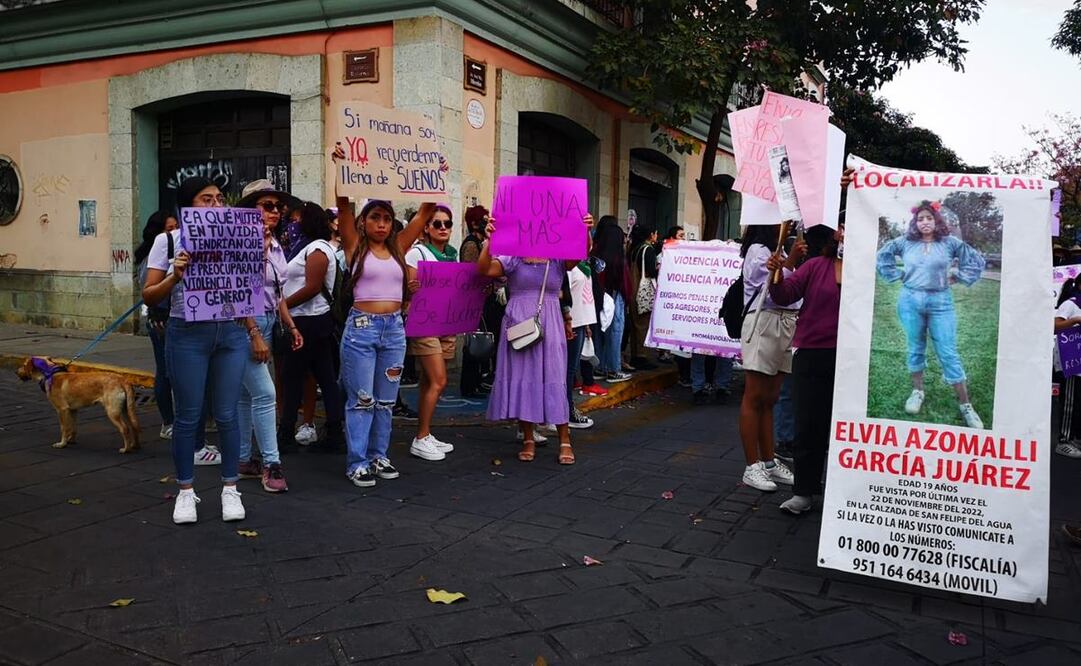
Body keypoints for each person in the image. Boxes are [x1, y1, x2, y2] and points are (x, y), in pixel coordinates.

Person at [142, 176, 268, 524]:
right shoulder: (167, 241)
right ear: (187, 208)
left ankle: (230, 489)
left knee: (226, 414)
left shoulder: (235, 237)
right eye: (206, 199)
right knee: (188, 416)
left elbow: (244, 291)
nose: (215, 205)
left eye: (218, 199)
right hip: (187, 335)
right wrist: (174, 275)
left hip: (229, 333)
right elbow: (149, 295)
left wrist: (253, 331)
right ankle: (185, 493)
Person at [335, 192, 434, 487]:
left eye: (387, 219)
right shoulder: (354, 247)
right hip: (361, 329)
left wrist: (437, 173)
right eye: (375, 217)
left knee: (386, 401)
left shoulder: (399, 249)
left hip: (393, 330)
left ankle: (378, 456)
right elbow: (343, 207)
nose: (382, 224)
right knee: (362, 399)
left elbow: (424, 213)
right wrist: (342, 167)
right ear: (363, 222)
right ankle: (358, 462)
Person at [478, 214, 593, 464]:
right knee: (523, 379)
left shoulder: (558, 256)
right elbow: (484, 269)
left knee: (554, 378)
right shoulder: (513, 257)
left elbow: (580, 253)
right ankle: (528, 436)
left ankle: (564, 439)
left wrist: (584, 230)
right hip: (518, 322)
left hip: (549, 322)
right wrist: (489, 241)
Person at [876, 201, 986, 429]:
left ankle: (966, 405)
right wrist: (897, 273)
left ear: (936, 220)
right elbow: (883, 255)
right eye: (920, 219)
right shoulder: (905, 243)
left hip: (941, 302)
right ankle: (917, 391)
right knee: (915, 346)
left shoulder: (949, 243)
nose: (925, 222)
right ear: (915, 223)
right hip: (910, 301)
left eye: (929, 218)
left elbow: (976, 261)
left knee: (948, 351)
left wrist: (957, 276)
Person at [767, 224, 843, 514]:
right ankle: (804, 492)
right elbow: (783, 295)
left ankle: (845, 495)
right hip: (813, 355)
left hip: (856, 359)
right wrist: (778, 270)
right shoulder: (814, 266)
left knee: (845, 431)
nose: (845, 234)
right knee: (809, 426)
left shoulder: (872, 269)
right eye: (842, 229)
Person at [234, 180, 303, 492]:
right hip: (244, 324)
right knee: (265, 393)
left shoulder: (275, 243)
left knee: (248, 395)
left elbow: (277, 293)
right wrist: (252, 332)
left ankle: (244, 459)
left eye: (278, 207)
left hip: (267, 321)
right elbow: (237, 293)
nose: (275, 212)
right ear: (251, 210)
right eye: (267, 206)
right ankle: (271, 464)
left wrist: (290, 325)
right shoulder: (239, 244)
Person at [278, 202, 345, 454]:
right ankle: (334, 430)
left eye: (298, 219)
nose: (293, 224)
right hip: (312, 320)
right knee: (324, 376)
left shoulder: (317, 249)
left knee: (294, 377)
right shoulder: (311, 247)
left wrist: (282, 304)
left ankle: (286, 432)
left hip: (309, 321)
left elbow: (312, 287)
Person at [738, 224, 798, 492]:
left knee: (770, 399)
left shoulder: (780, 250)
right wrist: (793, 260)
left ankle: (769, 463)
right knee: (755, 396)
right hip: (765, 323)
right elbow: (772, 289)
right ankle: (752, 467)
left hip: (786, 324)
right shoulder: (758, 251)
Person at [404, 204, 459, 461]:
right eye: (437, 223)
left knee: (430, 380)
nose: (443, 228)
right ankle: (421, 437)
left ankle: (425, 433)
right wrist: (412, 288)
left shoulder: (452, 254)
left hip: (446, 321)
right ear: (426, 227)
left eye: (447, 223)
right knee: (439, 380)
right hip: (425, 322)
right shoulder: (417, 253)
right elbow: (408, 290)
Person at [135, 210, 179, 441]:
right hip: (161, 317)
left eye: (176, 228)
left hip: (175, 316)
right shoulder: (152, 256)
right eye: (169, 229)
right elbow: (148, 289)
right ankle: (168, 422)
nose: (174, 233)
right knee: (165, 371)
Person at [459, 204, 501, 398]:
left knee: (485, 338)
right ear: (474, 223)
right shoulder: (470, 245)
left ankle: (479, 380)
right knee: (475, 341)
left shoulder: (483, 241)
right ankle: (469, 384)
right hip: (474, 299)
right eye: (483, 219)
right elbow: (472, 271)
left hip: (486, 297)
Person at [591, 216, 631, 383]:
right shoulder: (618, 260)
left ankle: (599, 367)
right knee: (615, 331)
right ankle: (614, 369)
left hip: (596, 296)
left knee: (598, 331)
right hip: (614, 296)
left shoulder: (594, 254)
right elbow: (625, 284)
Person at [1053, 278, 1081, 457]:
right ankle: (1064, 440)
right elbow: (1055, 325)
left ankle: (1075, 438)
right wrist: (1076, 320)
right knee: (1071, 401)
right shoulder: (1071, 304)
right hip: (1073, 364)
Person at [627, 222, 660, 370]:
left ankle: (635, 354)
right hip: (643, 290)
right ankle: (642, 356)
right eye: (655, 233)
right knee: (643, 324)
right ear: (651, 235)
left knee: (635, 324)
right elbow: (650, 272)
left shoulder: (634, 249)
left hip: (633, 288)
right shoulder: (648, 250)